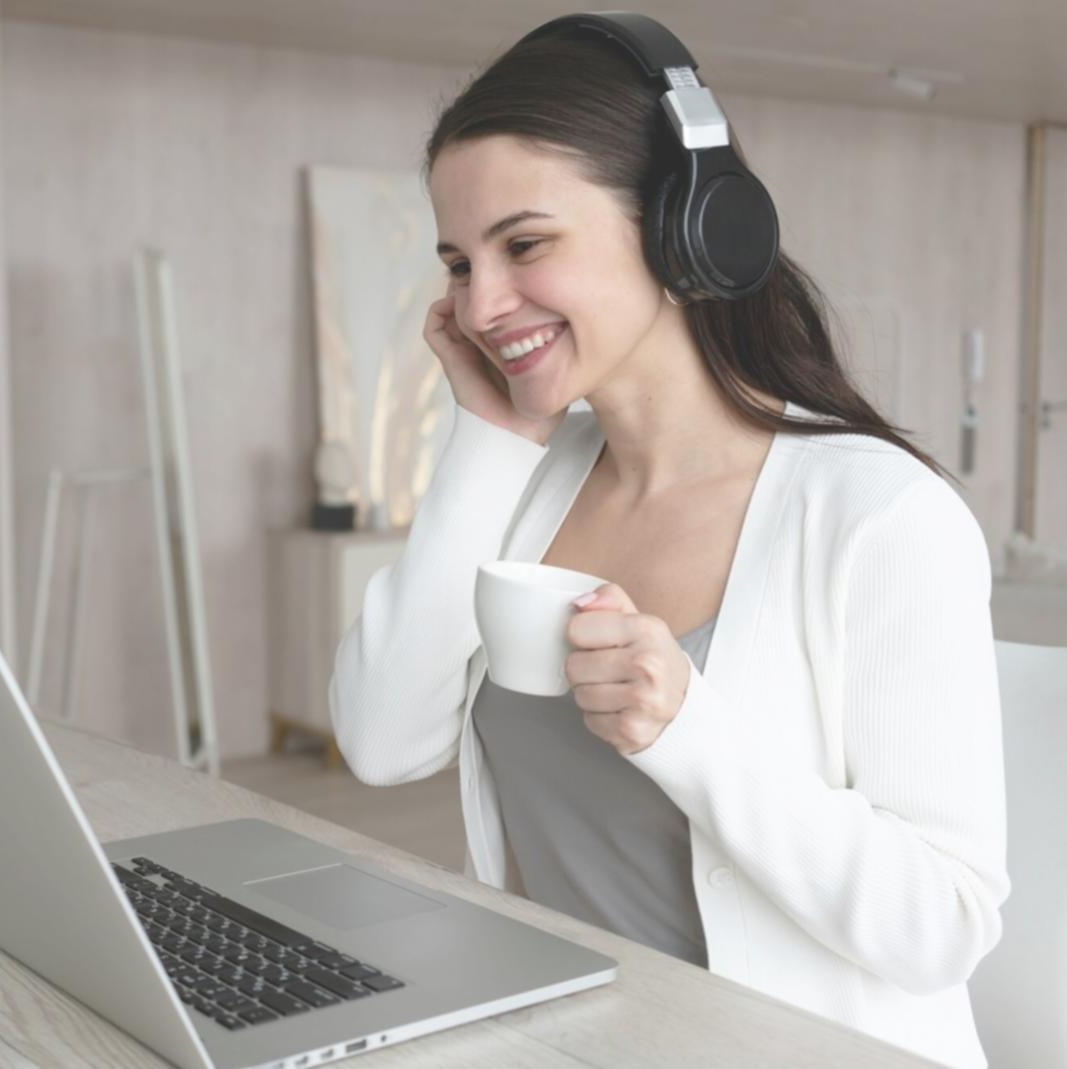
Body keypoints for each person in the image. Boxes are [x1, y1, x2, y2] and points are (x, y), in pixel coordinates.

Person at [328, 14, 1008, 1069]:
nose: (481, 303)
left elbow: (941, 923)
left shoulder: (879, 514)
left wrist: (688, 729)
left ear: (681, 227)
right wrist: (492, 432)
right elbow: (379, 742)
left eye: (524, 244)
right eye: (460, 263)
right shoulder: (533, 482)